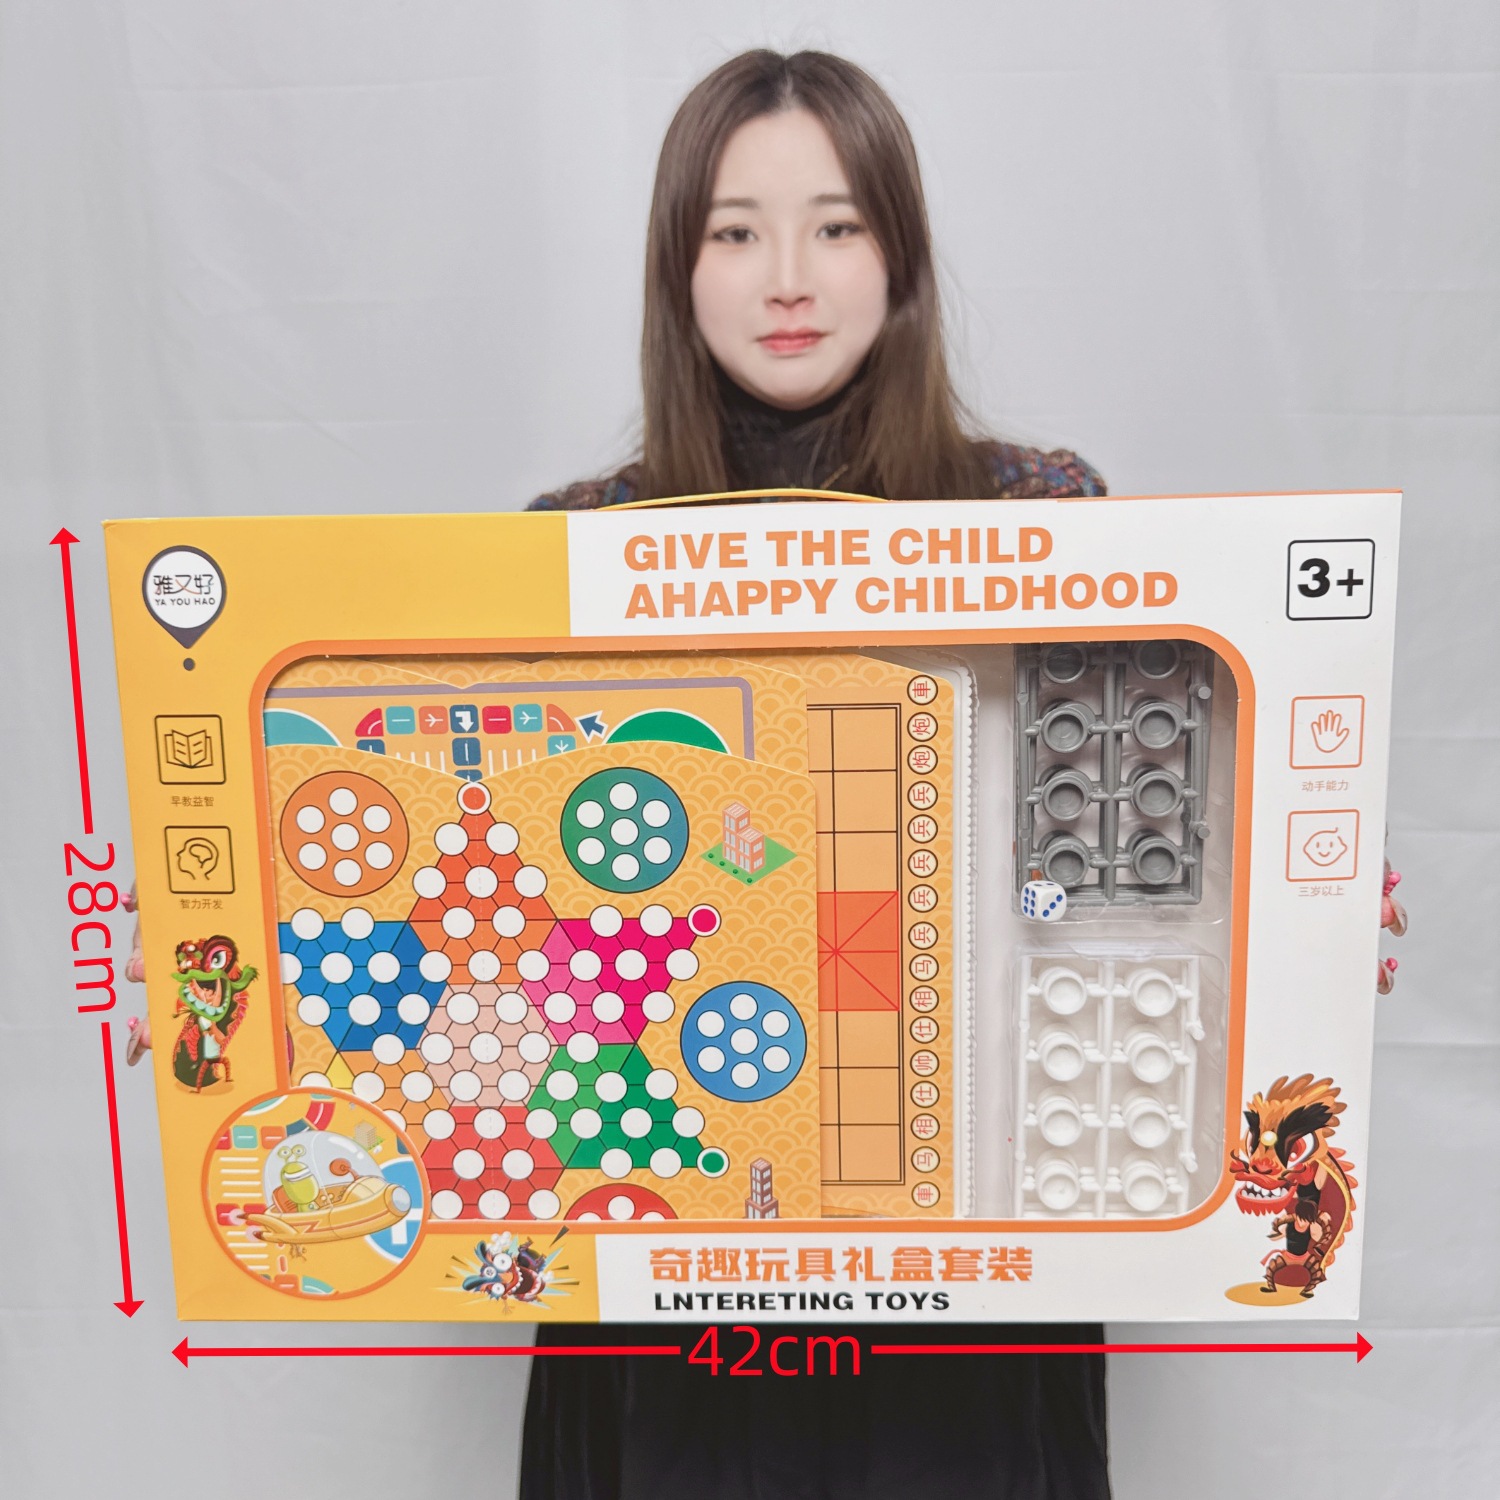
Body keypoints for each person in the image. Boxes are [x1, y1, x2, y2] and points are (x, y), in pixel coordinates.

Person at [520, 49, 1110, 1500]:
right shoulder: (571, 542)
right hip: (664, 1228)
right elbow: (513, 895)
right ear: (679, 268)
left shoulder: (1044, 511)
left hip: (959, 1232)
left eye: (836, 225)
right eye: (736, 231)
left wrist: (1289, 888)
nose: (788, 277)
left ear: (898, 252)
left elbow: (1108, 866)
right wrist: (259, 944)